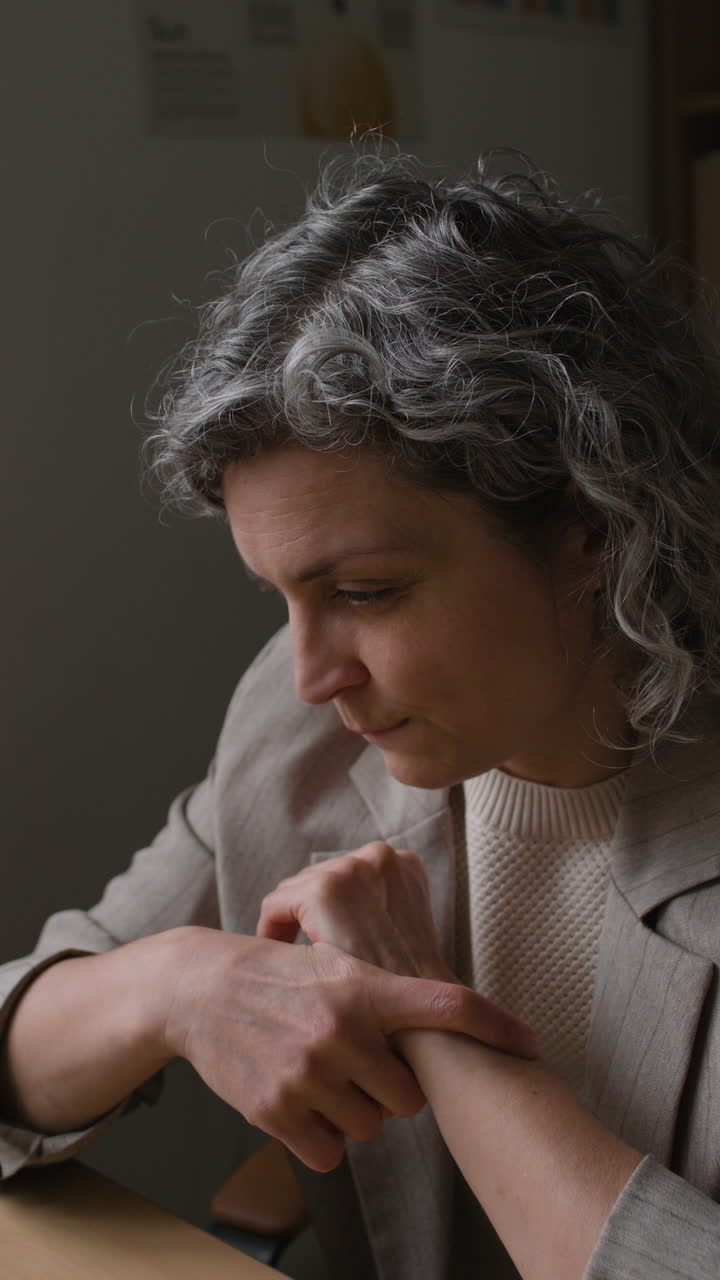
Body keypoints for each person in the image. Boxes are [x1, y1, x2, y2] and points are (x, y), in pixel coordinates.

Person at [1, 150, 720, 1280]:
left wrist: (429, 1023)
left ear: (594, 528)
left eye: (366, 592)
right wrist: (177, 984)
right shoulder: (295, 739)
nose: (307, 674)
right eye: (280, 595)